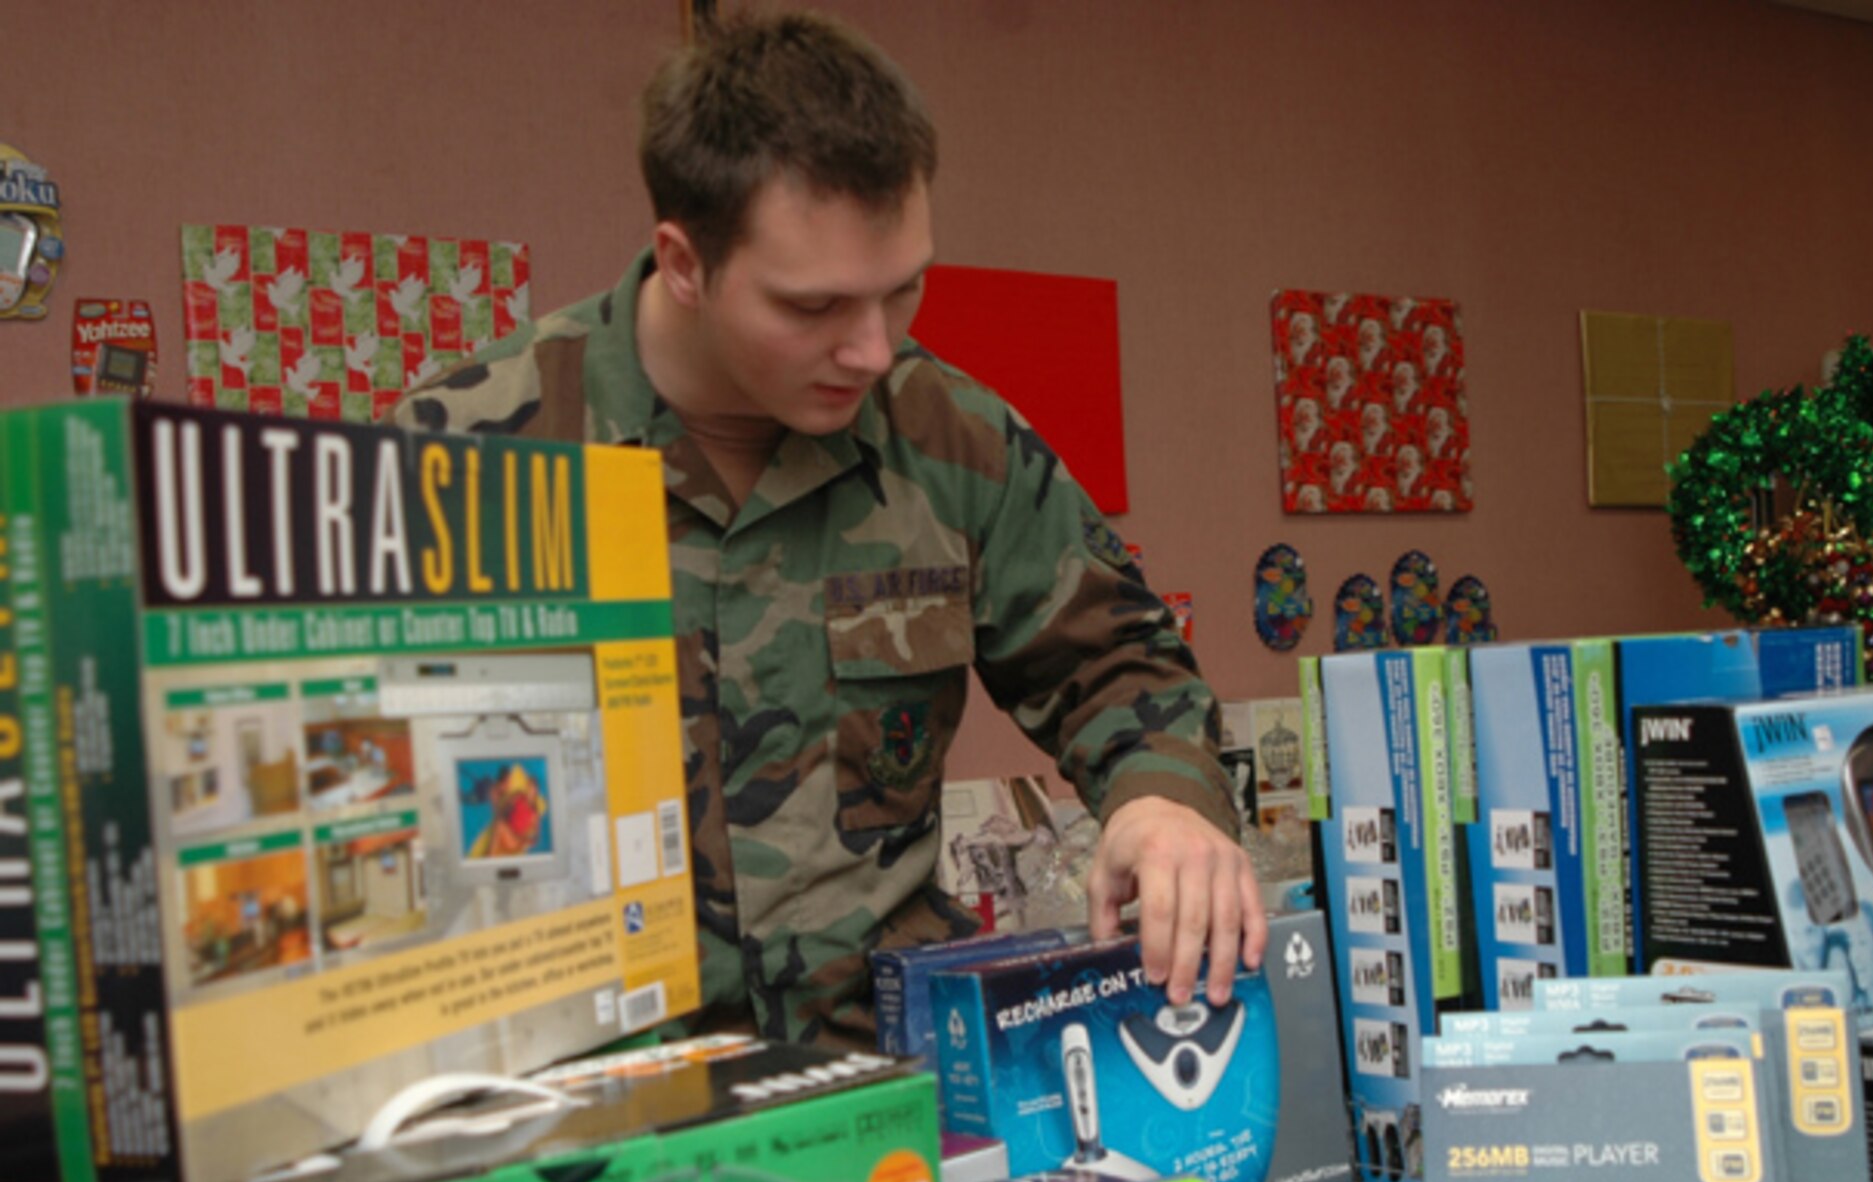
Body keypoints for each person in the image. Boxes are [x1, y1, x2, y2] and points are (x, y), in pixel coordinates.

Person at [396, 10, 1262, 1047]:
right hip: (578, 1121)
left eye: (901, 291)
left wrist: (1161, 799)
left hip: (880, 1097)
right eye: (813, 307)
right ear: (682, 260)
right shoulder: (463, 456)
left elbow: (1120, 661)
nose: (867, 349)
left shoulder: (951, 442)